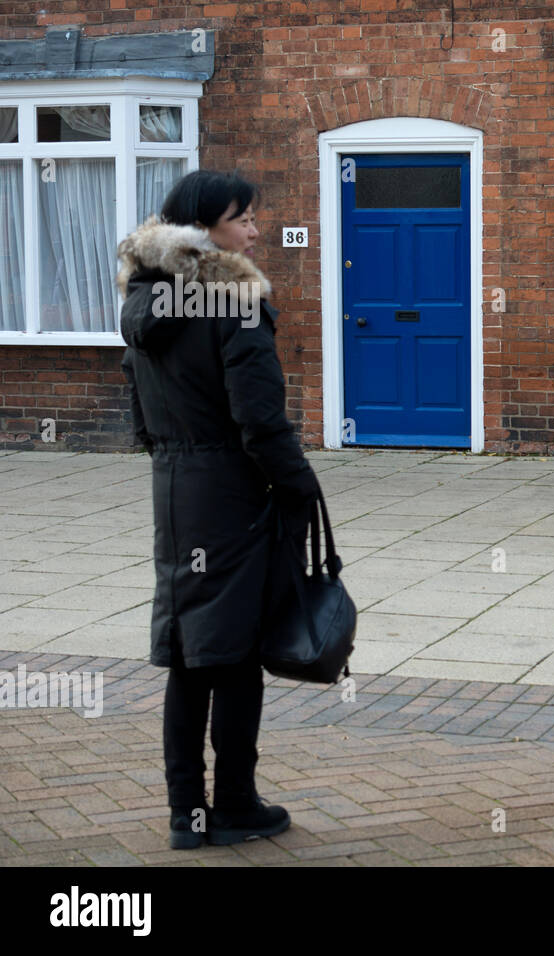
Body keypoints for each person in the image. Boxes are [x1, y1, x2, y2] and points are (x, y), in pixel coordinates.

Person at [117, 171, 321, 849]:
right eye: (242, 219)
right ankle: (232, 802)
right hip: (231, 493)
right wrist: (298, 487)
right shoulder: (233, 302)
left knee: (190, 654)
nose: (256, 230)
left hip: (175, 492)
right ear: (204, 230)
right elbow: (260, 421)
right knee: (232, 655)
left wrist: (172, 456)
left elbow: (140, 409)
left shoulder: (145, 299)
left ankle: (187, 813)